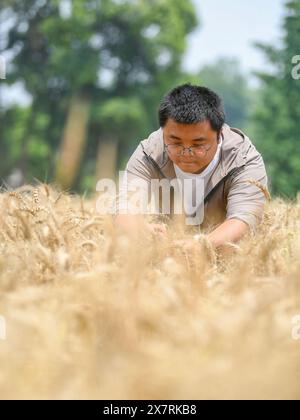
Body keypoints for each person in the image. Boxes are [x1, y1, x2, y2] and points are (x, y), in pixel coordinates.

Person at [114, 83, 269, 251]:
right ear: (163, 132)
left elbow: (243, 220)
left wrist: (202, 245)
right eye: (175, 142)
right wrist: (141, 230)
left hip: (227, 259)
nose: (186, 153)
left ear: (219, 135)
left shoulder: (243, 160)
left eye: (198, 145)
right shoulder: (149, 153)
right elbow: (125, 210)